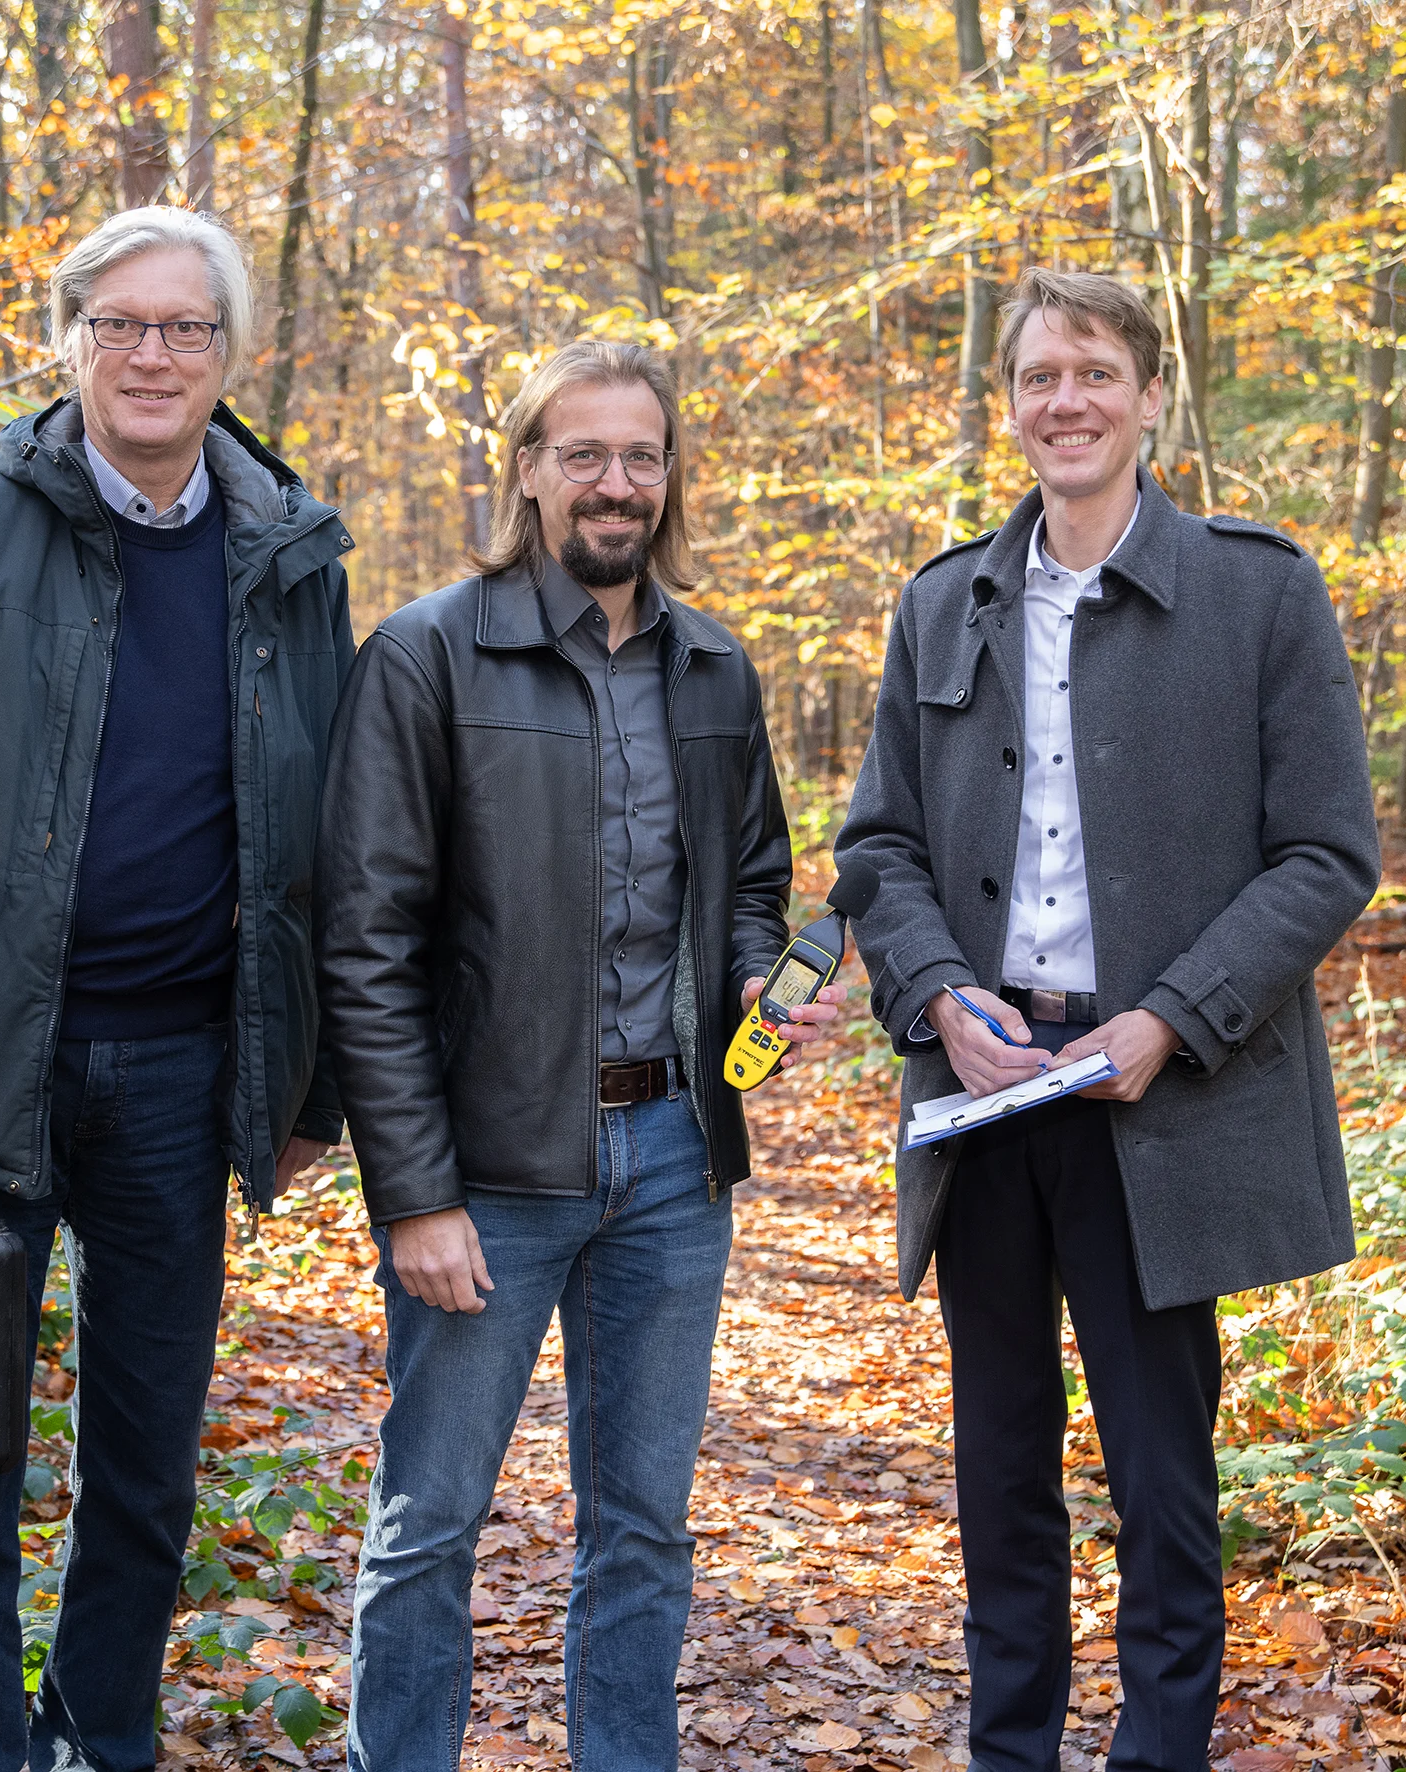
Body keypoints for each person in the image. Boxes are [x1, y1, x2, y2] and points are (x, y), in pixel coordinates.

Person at [0, 206, 355, 1772]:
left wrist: (301, 1089)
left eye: (186, 329)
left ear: (231, 355)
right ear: (71, 341)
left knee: (146, 1476)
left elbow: (332, 852)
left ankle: (99, 1744)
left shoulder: (291, 562)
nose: (154, 356)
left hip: (183, 1083)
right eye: (122, 324)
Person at [835, 269, 1381, 1772]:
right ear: (1007, 405)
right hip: (984, 1102)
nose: (1063, 401)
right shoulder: (944, 600)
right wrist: (942, 995)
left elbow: (1328, 854)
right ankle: (1011, 1751)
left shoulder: (1257, 593)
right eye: (1036, 377)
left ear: (1151, 393)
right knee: (998, 1471)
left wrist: (1168, 1022)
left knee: (1160, 1477)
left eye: (1093, 372)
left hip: (1162, 1103)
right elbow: (876, 848)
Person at [318, 338, 837, 1771]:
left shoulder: (718, 665)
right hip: (490, 1177)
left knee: (645, 1528)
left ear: (668, 479)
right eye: (585, 454)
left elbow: (748, 879)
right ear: (530, 470)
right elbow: (365, 945)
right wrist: (414, 1195)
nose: (618, 483)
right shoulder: (427, 655)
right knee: (430, 1525)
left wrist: (755, 973)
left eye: (642, 456)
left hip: (675, 1161)